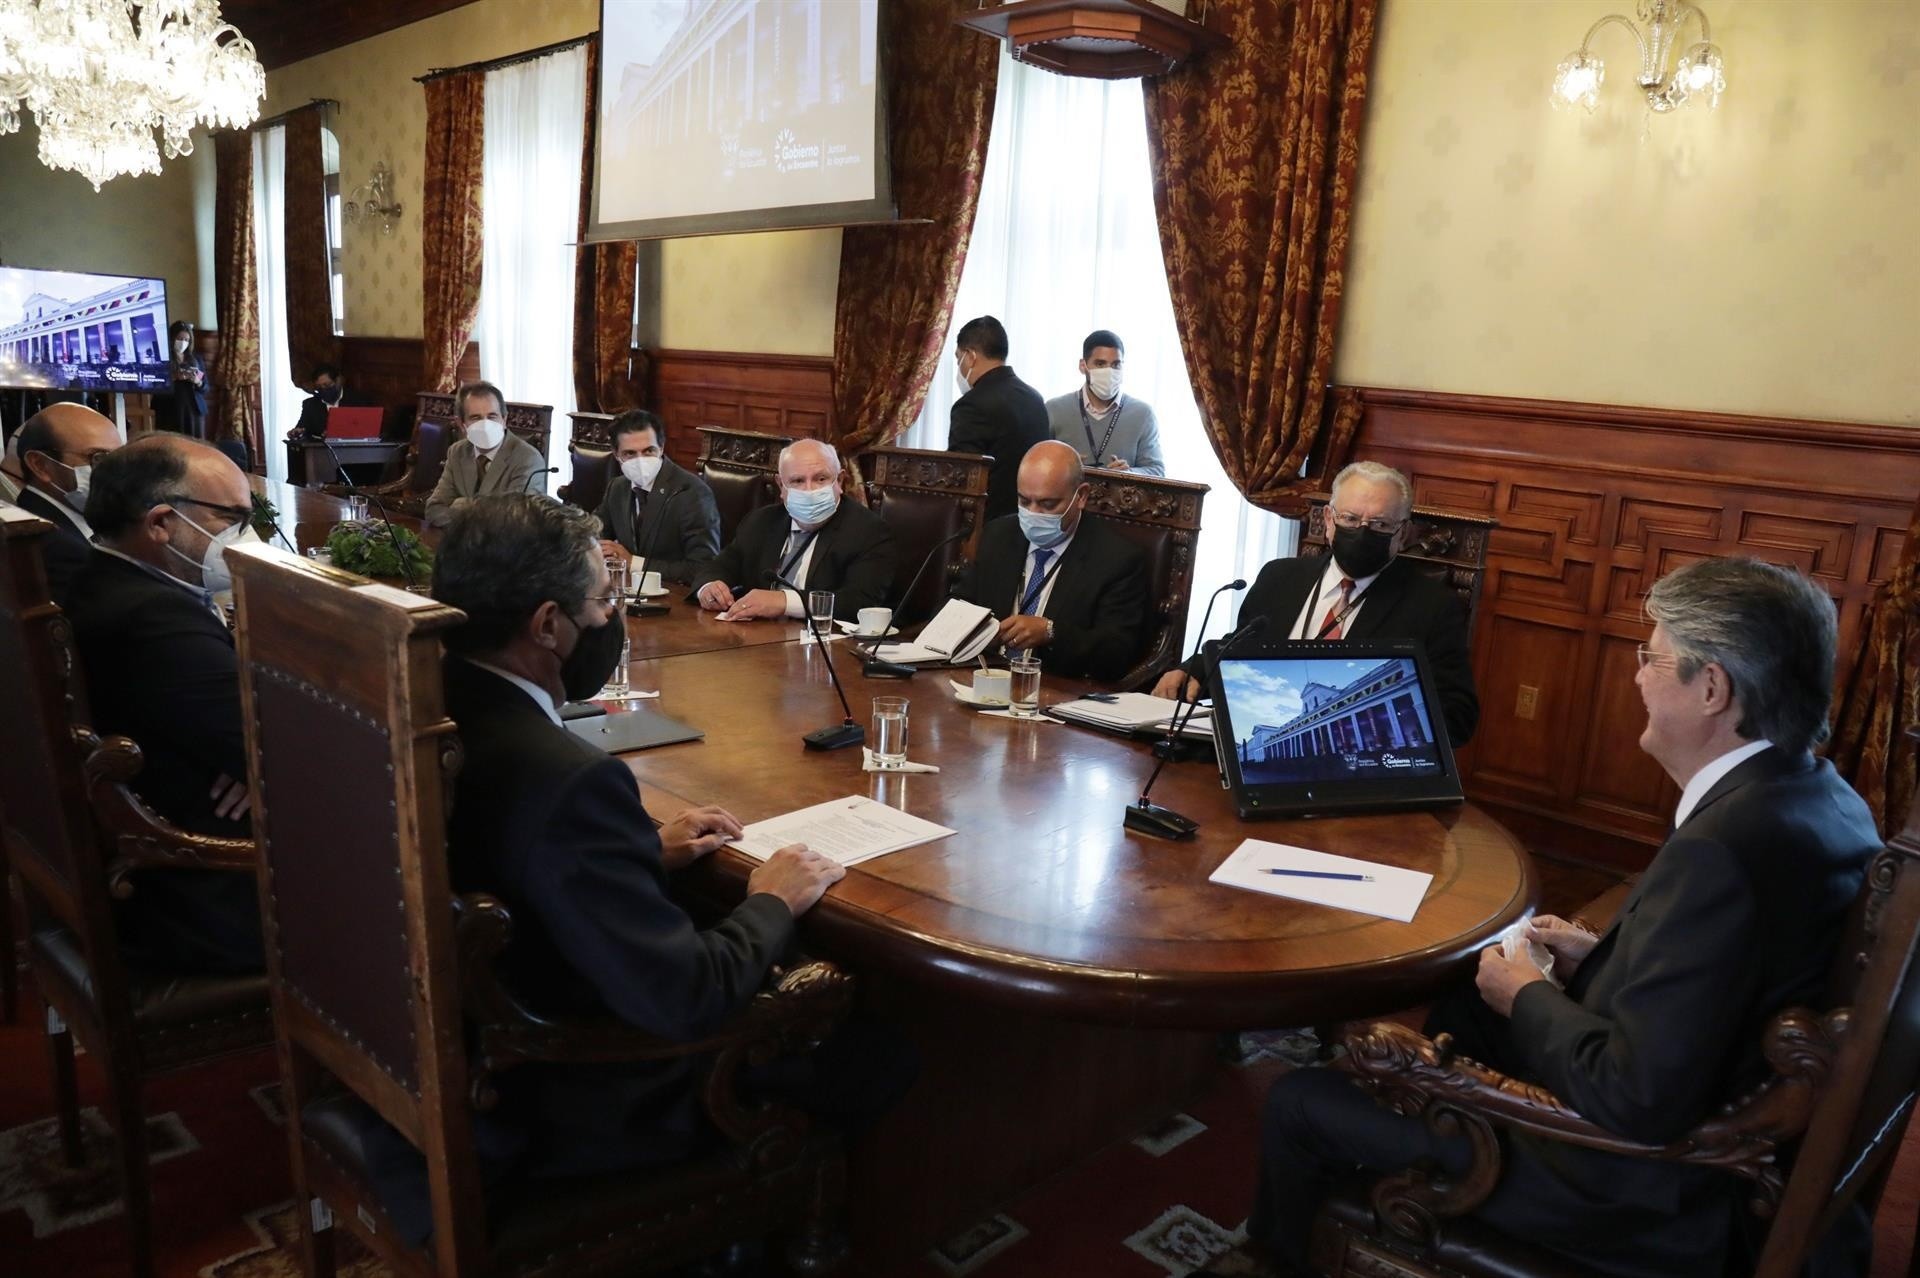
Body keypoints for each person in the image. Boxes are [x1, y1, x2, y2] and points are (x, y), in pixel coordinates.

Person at [1221, 556, 1878, 1278]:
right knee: (1466, 1004)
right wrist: (1596, 957)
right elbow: (1722, 976)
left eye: (1651, 658)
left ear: (1712, 688)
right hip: (1705, 1103)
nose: (1637, 677)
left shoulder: (1722, 850)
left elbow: (1635, 1098)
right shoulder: (1824, 797)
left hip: (1634, 1185)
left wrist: (1527, 992)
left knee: (1301, 1100)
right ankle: (1417, 1131)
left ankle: (1277, 1259)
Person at [359, 494, 907, 1244]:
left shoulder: (430, 704)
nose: (611, 616)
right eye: (602, 601)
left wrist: (638, 853)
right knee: (874, 1045)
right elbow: (686, 996)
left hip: (431, 1056)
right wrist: (771, 899)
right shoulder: (570, 780)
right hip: (554, 1100)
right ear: (547, 625)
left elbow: (505, 852)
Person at [65, 434, 263, 973]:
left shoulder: (97, 579)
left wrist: (255, 756)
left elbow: (255, 744)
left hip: (157, 863)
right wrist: (258, 760)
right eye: (233, 518)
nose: (247, 535)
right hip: (212, 896)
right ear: (160, 524)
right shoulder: (156, 621)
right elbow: (275, 753)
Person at [1152, 461, 1479, 746]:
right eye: (1350, 518)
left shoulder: (1433, 607)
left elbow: (1459, 715)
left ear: (1403, 533)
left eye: (1380, 524)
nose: (1362, 532)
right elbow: (1240, 648)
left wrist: (1391, 723)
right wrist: (1193, 670)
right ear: (1329, 520)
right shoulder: (1279, 578)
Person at [955, 440, 1148, 682]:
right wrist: (979, 630)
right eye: (1024, 501)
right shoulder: (999, 535)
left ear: (1081, 496)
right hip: (987, 676)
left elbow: (1116, 651)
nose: (1033, 513)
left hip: (1058, 685)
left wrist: (1051, 632)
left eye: (1048, 504)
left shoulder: (1117, 559)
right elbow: (959, 602)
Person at [691, 438, 895, 623]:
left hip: (824, 643)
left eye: (821, 479)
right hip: (756, 639)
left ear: (840, 481)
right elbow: (719, 566)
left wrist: (784, 602)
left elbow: (859, 603)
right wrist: (709, 587)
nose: (810, 490)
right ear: (781, 485)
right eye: (798, 481)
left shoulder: (869, 531)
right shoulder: (761, 521)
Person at [593, 409, 721, 585]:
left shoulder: (691, 492)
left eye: (648, 451)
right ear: (616, 455)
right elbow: (595, 533)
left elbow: (703, 568)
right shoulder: (617, 487)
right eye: (630, 453)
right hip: (626, 588)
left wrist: (633, 562)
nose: (640, 460)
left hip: (674, 592)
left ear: (661, 448)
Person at [12, 402, 121, 603]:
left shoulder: (91, 522)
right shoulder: (57, 548)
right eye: (98, 458)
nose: (117, 473)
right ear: (40, 465)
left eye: (119, 459)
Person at [947, 315, 1049, 520]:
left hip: (986, 524)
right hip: (1031, 517)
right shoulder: (1035, 398)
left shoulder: (970, 405)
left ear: (970, 356)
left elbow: (960, 477)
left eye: (959, 359)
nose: (959, 367)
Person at [423, 380, 547, 528]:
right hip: (460, 541)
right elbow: (434, 509)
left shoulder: (528, 459)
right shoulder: (457, 452)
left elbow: (515, 522)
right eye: (476, 418)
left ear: (504, 419)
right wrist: (482, 516)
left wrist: (463, 505)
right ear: (462, 424)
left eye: (492, 416)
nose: (486, 425)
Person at [1043, 329, 1165, 476]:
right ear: (1083, 366)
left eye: (1116, 365)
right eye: (1100, 364)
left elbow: (1157, 471)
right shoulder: (1054, 409)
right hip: (1071, 491)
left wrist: (1128, 473)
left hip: (1120, 491)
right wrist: (1063, 467)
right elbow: (1037, 466)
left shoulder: (1143, 414)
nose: (1109, 371)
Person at [286, 362, 365, 441]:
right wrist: (296, 432)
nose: (324, 389)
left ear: (338, 381)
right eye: (319, 387)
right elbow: (302, 428)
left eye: (327, 385)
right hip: (321, 448)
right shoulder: (310, 405)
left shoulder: (357, 400)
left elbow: (364, 428)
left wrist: (337, 433)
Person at [167, 321, 207, 439]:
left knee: (196, 444)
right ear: (172, 338)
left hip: (194, 410)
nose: (183, 343)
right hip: (170, 410)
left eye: (186, 340)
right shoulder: (164, 359)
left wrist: (197, 381)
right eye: (180, 339)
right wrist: (175, 377)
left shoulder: (196, 359)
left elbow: (205, 387)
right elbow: (155, 385)